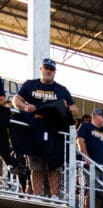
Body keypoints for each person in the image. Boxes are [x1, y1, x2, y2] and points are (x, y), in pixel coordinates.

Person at [13, 57, 79, 196]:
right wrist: (25, 106)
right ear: (41, 69)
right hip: (34, 129)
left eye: (51, 70)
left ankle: (54, 195)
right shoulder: (30, 84)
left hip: (54, 132)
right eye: (46, 68)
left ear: (55, 72)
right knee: (36, 166)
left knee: (54, 166)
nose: (48, 71)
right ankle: (36, 195)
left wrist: (66, 108)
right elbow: (16, 99)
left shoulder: (61, 90)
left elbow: (75, 110)